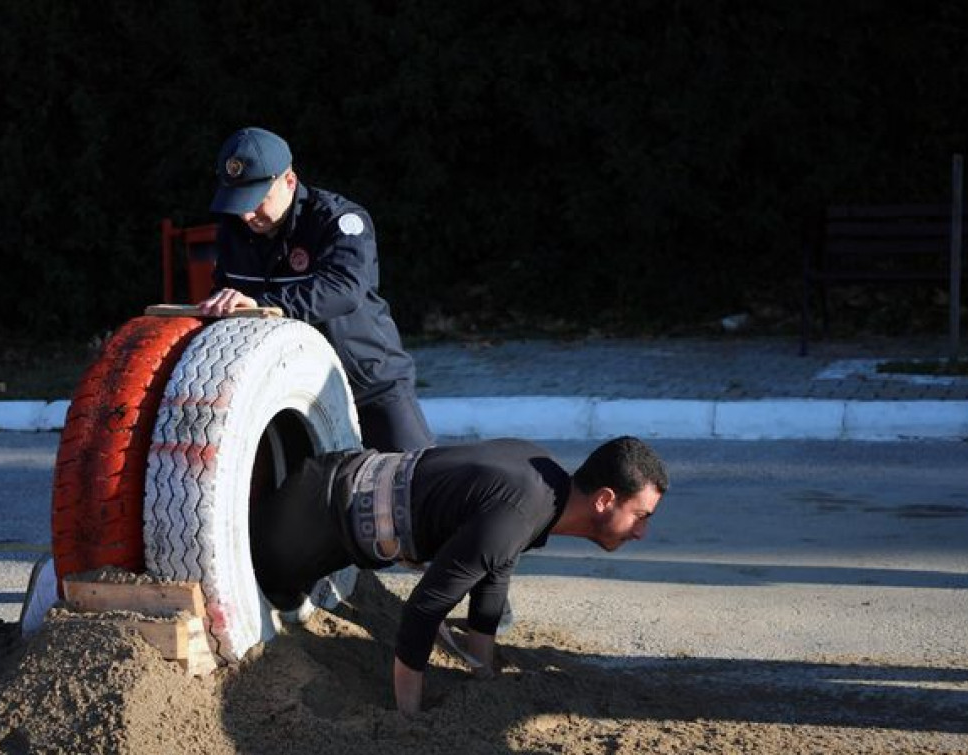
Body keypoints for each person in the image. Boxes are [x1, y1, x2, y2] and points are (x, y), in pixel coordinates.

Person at [251, 436, 669, 717]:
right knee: (263, 576)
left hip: (335, 484)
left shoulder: (545, 482)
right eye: (640, 516)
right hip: (309, 527)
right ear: (605, 500)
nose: (641, 532)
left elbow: (495, 574)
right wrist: (408, 715)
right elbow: (423, 610)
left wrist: (482, 669)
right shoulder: (519, 513)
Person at [202, 126, 433, 453]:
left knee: (413, 484)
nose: (246, 214)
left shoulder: (338, 220)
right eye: (237, 202)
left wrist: (264, 304)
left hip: (368, 384)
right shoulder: (233, 231)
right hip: (289, 394)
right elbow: (228, 292)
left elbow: (344, 288)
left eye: (257, 201)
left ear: (289, 181)